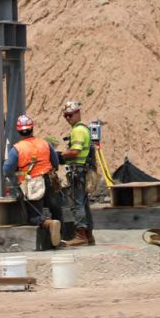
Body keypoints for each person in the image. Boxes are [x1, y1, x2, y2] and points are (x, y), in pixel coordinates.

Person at [3, 114, 63, 247]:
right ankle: (59, 236)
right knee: (56, 209)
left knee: (34, 216)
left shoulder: (17, 149)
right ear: (32, 128)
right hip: (50, 180)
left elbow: (7, 170)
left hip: (33, 184)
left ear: (19, 131)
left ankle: (49, 224)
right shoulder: (45, 144)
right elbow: (55, 162)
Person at [61, 101, 95, 246]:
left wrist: (61, 155)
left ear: (78, 113)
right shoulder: (83, 129)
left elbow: (75, 151)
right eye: (65, 116)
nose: (68, 118)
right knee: (84, 204)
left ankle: (80, 235)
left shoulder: (78, 131)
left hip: (78, 172)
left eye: (70, 115)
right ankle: (88, 235)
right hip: (84, 171)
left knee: (77, 204)